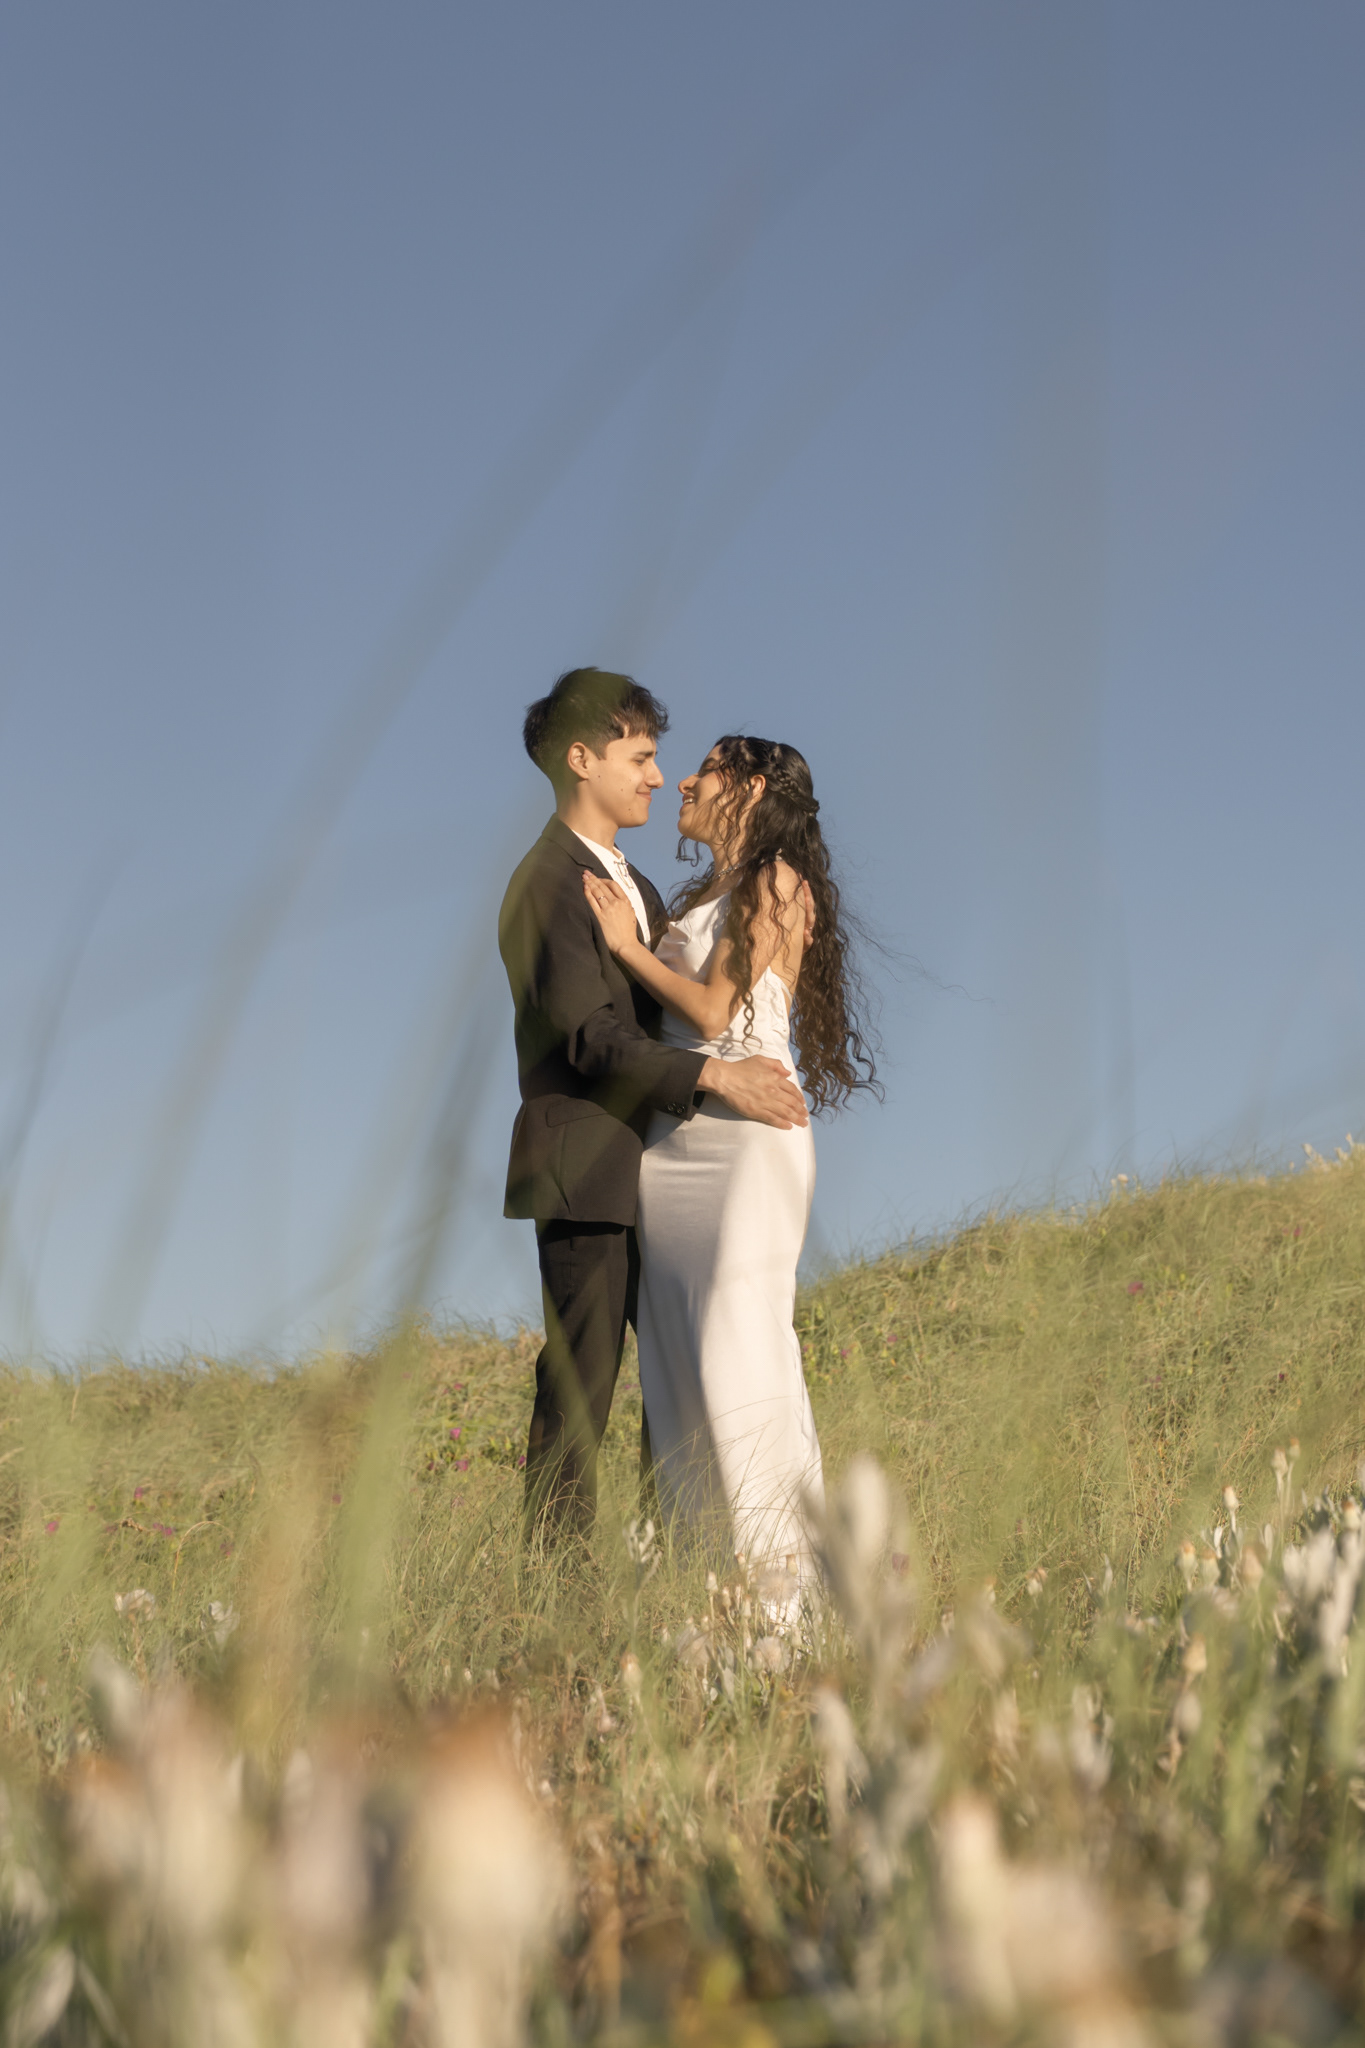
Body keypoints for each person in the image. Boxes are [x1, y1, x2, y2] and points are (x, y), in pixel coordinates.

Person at [499, 672, 810, 1536]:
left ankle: (682, 1555)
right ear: (581, 759)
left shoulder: (635, 884)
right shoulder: (545, 882)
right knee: (581, 1380)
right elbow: (588, 1037)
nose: (657, 775)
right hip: (587, 1164)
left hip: (668, 1158)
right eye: (639, 757)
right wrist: (714, 1079)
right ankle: (558, 1584)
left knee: (689, 1366)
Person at [582, 733, 878, 1590]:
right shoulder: (703, 893)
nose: (683, 779)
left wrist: (627, 948)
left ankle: (783, 1598)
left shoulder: (776, 879)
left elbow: (715, 1011)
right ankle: (711, 1600)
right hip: (673, 1144)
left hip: (745, 1139)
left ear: (749, 788)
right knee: (676, 1362)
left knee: (738, 1348)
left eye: (706, 768)